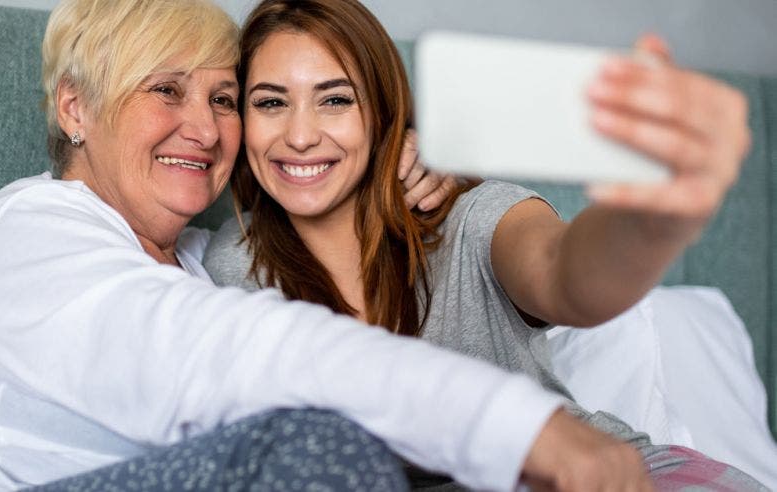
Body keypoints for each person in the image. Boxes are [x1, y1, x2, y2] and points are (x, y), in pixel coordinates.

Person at [0, 0, 659, 491]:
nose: (204, 126)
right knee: (318, 442)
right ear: (74, 107)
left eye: (223, 98)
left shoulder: (203, 261)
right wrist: (514, 425)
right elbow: (227, 357)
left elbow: (558, 272)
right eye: (165, 89)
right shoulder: (30, 231)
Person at [203, 0, 765, 490]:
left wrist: (651, 216)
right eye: (271, 102)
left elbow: (564, 274)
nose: (300, 136)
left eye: (335, 100)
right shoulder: (234, 266)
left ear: (382, 115)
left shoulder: (472, 217)